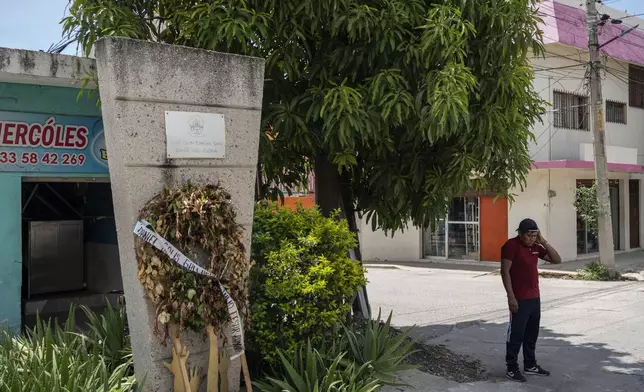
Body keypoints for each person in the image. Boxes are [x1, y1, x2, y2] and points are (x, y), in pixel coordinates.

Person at [501, 218, 562, 382]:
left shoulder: (536, 247)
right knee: (516, 334)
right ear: (520, 234)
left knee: (531, 334)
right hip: (519, 298)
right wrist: (511, 296)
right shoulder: (511, 245)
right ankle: (511, 368)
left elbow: (557, 260)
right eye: (528, 235)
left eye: (534, 235)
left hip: (534, 298)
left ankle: (530, 365)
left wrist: (544, 241)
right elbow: (505, 272)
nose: (531, 239)